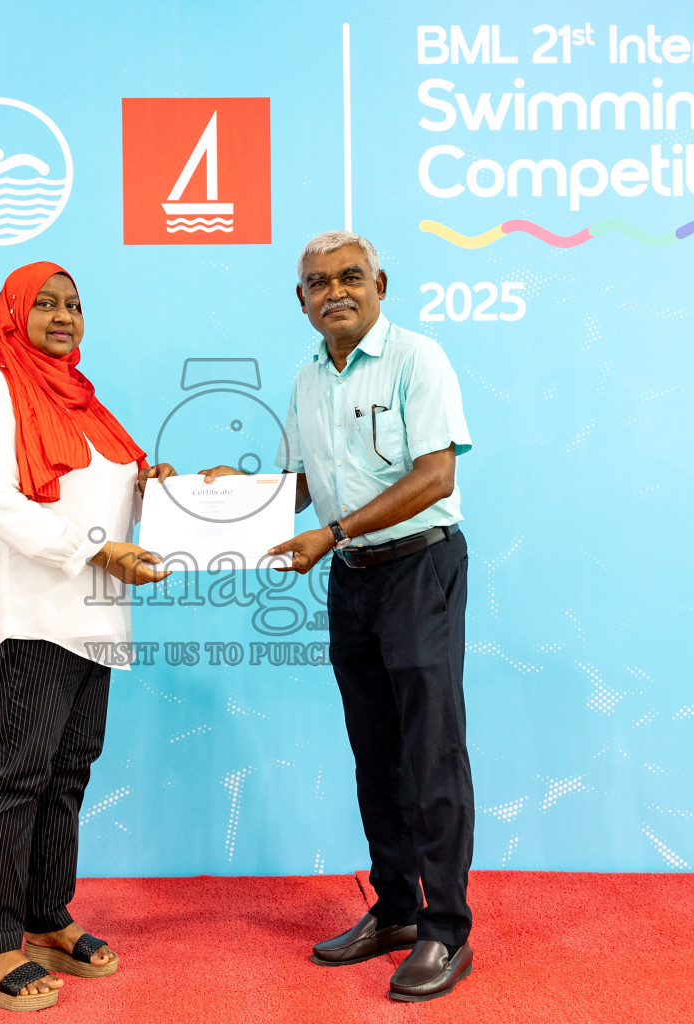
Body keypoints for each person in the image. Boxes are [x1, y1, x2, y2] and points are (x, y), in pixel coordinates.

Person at [204, 230, 475, 1002]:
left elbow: (435, 475)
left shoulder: (418, 359)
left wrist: (335, 532)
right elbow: (301, 484)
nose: (335, 293)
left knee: (431, 754)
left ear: (381, 283)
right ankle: (393, 910)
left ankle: (446, 931)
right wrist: (234, 493)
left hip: (419, 567)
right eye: (317, 284)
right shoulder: (306, 377)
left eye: (350, 277)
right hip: (352, 578)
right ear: (301, 300)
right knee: (375, 752)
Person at [0, 261, 174, 1012]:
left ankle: (45, 918)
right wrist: (98, 551)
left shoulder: (81, 398)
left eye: (73, 303)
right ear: (11, 312)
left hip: (98, 616)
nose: (62, 314)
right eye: (43, 303)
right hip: (34, 616)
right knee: (18, 779)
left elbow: (103, 488)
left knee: (68, 774)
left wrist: (161, 490)